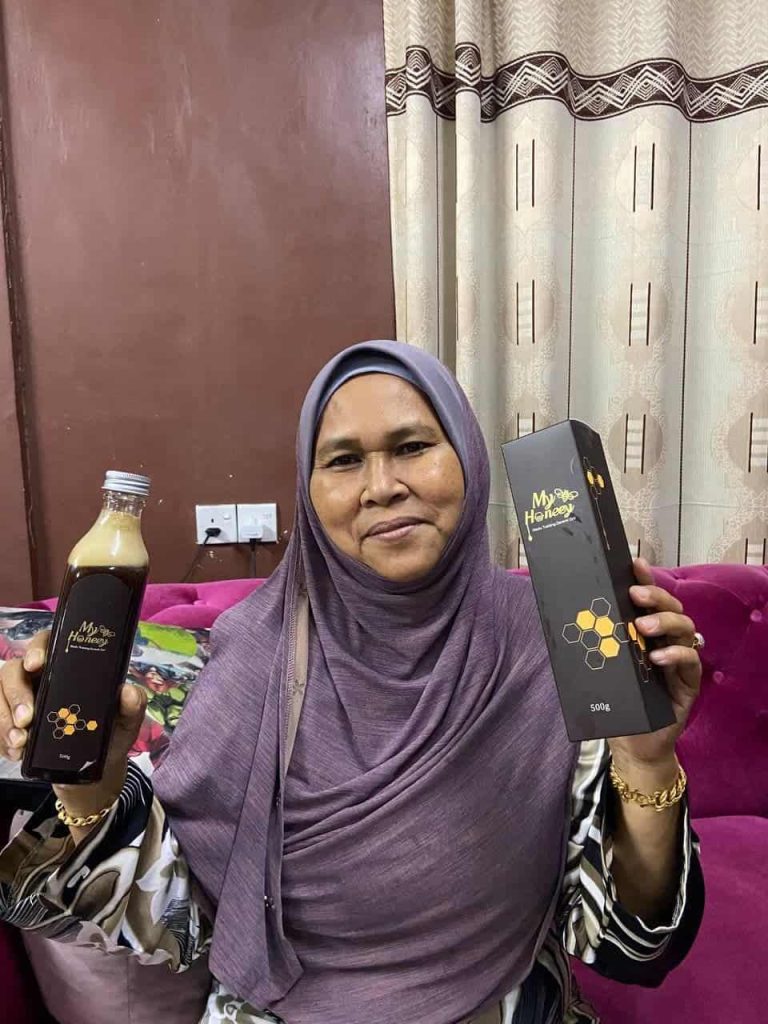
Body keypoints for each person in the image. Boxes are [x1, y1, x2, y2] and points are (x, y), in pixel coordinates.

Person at [0, 341, 703, 1024]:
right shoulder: (255, 653)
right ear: (308, 495)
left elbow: (627, 943)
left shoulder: (559, 638)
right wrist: (89, 782)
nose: (382, 486)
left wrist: (646, 760)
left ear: (468, 458)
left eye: (412, 446)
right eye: (343, 460)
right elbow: (185, 916)